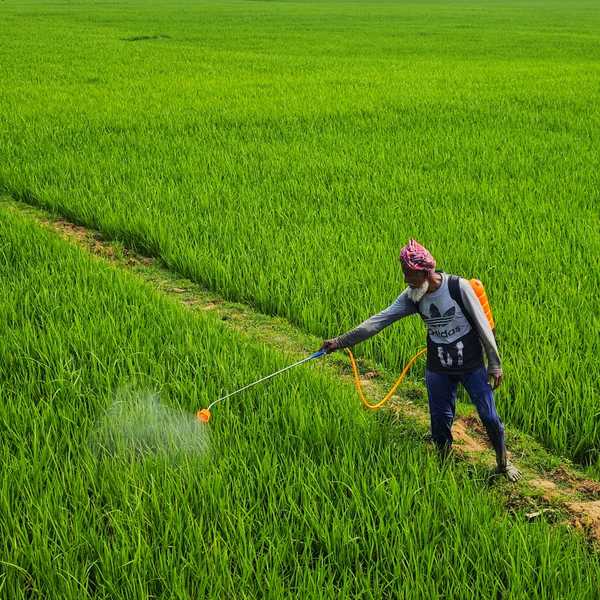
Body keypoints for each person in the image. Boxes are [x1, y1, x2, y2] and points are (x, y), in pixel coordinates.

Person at [320, 239, 521, 482]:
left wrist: (495, 363)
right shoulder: (413, 296)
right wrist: (340, 341)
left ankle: (503, 463)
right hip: (438, 367)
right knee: (439, 420)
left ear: (426, 272)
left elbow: (483, 326)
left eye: (409, 274)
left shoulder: (459, 288)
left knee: (489, 417)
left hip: (471, 365)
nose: (406, 280)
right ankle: (443, 460)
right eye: (404, 273)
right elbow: (379, 320)